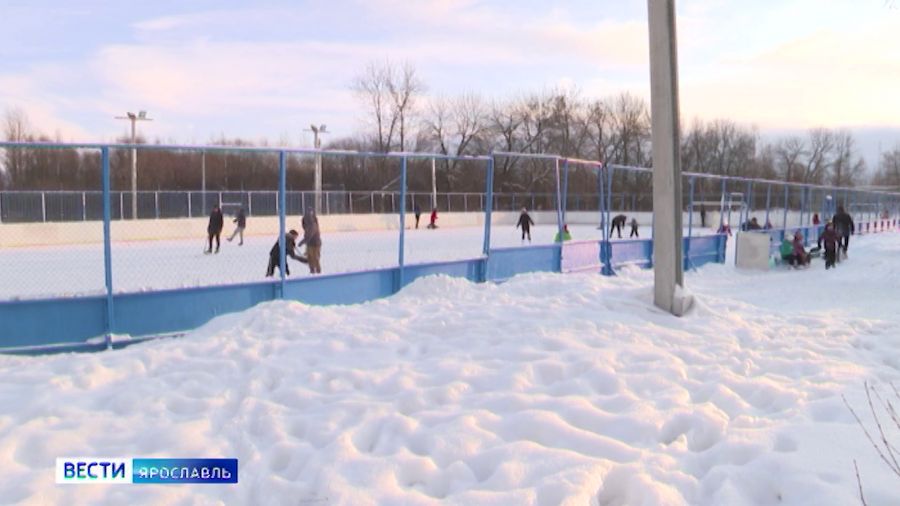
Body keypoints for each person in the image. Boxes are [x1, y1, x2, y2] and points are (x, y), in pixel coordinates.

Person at [298, 208, 322, 274]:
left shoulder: (313, 224)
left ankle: (318, 271)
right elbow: (307, 234)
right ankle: (312, 270)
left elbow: (309, 235)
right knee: (310, 258)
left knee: (315, 258)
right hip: (309, 244)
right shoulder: (307, 224)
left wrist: (302, 242)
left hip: (316, 244)